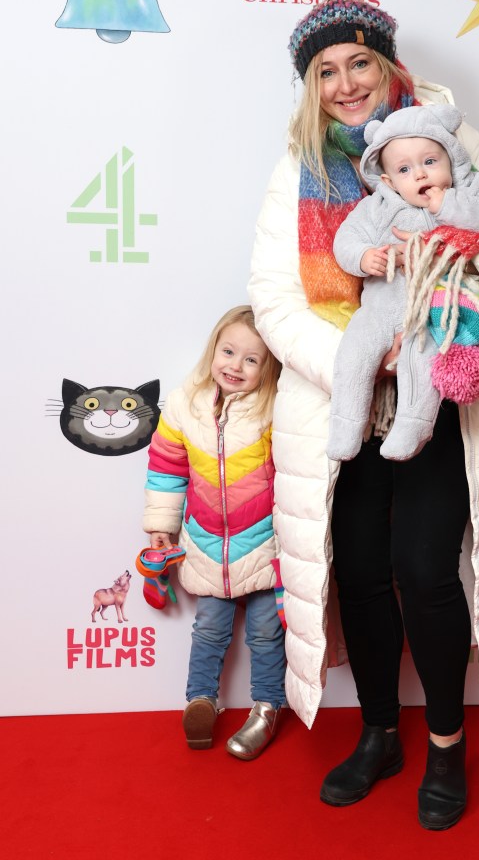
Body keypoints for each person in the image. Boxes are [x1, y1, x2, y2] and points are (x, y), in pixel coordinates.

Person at [248, 0, 479, 830]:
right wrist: (362, 354)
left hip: (445, 398)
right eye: (327, 71)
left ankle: (448, 745)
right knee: (359, 574)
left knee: (426, 573)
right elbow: (274, 299)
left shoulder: (449, 135)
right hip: (346, 403)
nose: (347, 84)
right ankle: (380, 732)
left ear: (384, 65)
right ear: (310, 86)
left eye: (360, 63)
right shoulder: (299, 168)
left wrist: (463, 296)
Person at [327, 102, 479, 463]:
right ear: (389, 181)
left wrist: (449, 204)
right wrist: (364, 257)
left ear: (451, 160)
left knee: (422, 361)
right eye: (405, 169)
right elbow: (344, 240)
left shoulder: (465, 194)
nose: (421, 175)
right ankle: (345, 423)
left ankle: (414, 424)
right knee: (353, 357)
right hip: (378, 309)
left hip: (432, 312)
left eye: (430, 161)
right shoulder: (376, 207)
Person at [142, 305, 285, 760]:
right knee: (208, 630)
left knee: (266, 633)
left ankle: (266, 708)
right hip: (204, 542)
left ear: (268, 367)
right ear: (213, 350)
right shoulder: (186, 403)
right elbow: (166, 467)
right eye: (229, 351)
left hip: (264, 543)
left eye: (251, 359)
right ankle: (199, 700)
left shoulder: (274, 408)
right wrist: (162, 526)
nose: (235, 366)